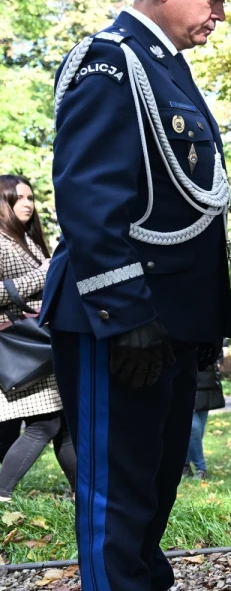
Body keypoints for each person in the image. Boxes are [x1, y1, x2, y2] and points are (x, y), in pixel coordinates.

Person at [41, 0, 231, 590]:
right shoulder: (110, 63)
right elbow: (89, 197)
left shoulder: (162, 66)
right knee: (116, 495)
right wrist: (125, 313)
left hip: (169, 322)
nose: (219, 13)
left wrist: (202, 324)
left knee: (154, 488)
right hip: (117, 319)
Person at [0, 175, 76, 500]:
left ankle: (86, 492)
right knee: (45, 425)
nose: (28, 203)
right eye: (19, 198)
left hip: (43, 344)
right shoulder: (1, 243)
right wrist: (43, 274)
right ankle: (1, 490)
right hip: (23, 344)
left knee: (65, 426)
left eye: (30, 197)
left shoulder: (26, 240)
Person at [184, 349, 225, 480]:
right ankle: (200, 468)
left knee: (198, 430)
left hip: (207, 378)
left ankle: (184, 466)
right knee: (193, 427)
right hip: (185, 373)